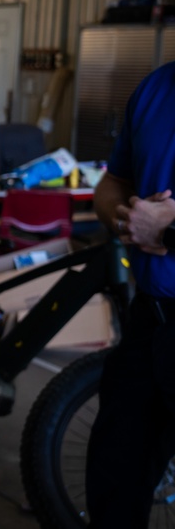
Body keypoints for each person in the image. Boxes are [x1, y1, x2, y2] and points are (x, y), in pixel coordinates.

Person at [86, 60, 175, 528]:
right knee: (114, 476)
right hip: (151, 321)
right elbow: (112, 182)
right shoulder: (155, 87)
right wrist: (123, 216)